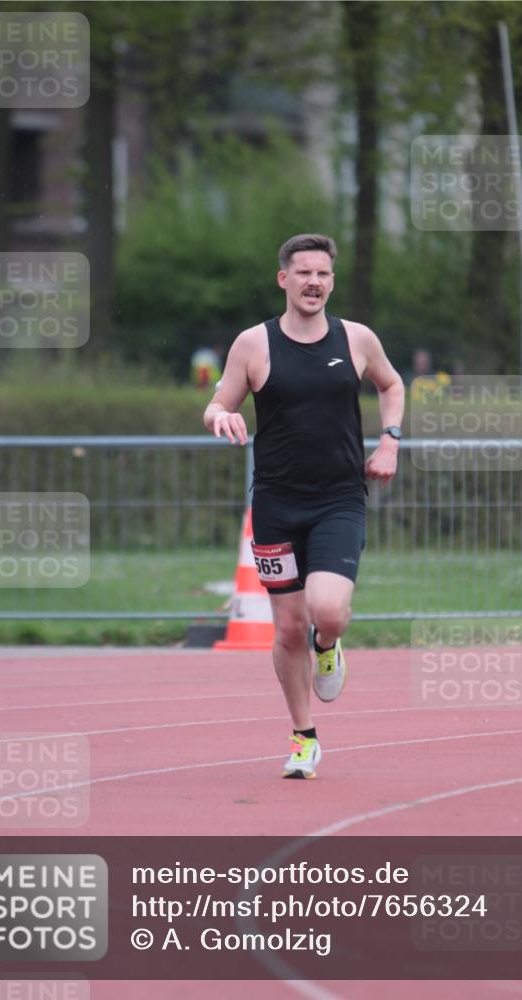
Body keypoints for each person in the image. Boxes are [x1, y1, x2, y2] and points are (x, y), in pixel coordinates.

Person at [204, 233, 404, 779]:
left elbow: (392, 384)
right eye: (304, 272)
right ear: (284, 279)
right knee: (287, 628)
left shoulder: (357, 339)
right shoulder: (254, 344)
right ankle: (303, 737)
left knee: (328, 611)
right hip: (275, 504)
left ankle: (329, 645)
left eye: (324, 273)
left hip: (339, 498)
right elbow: (219, 400)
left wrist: (389, 440)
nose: (314, 281)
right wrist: (220, 415)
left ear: (331, 281)